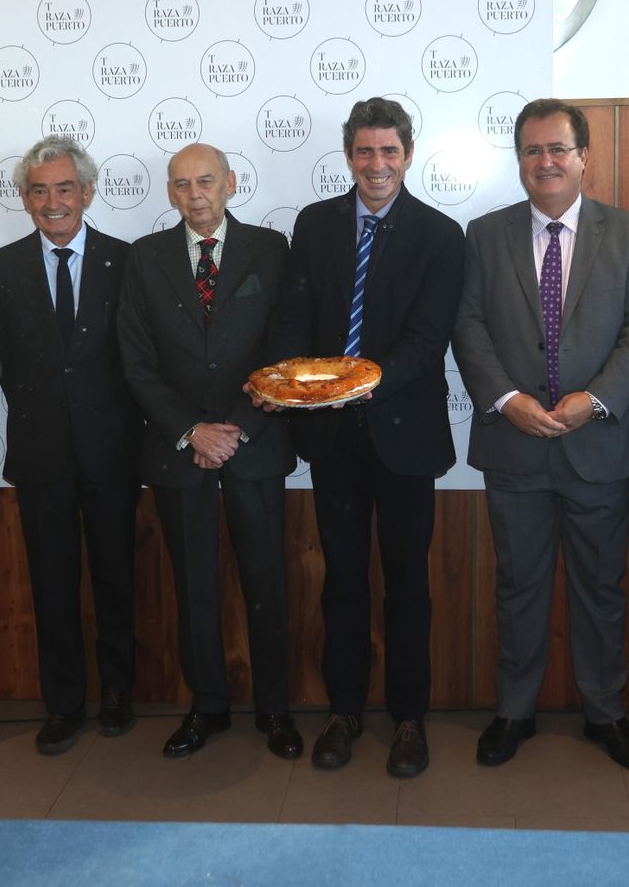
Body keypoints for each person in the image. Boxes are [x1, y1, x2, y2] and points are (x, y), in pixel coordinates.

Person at [451, 98, 629, 769]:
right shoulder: (484, 235)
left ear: (584, 157)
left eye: (558, 149)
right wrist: (507, 398)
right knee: (518, 586)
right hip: (515, 446)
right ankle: (514, 712)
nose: (546, 162)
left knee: (601, 588)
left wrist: (595, 400)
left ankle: (606, 712)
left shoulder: (627, 233)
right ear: (519, 161)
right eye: (532, 151)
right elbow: (468, 326)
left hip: (597, 447)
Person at [265, 97, 464, 777]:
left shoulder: (441, 235)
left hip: (405, 438)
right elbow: (296, 317)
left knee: (409, 586)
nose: (376, 165)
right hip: (331, 441)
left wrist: (359, 382)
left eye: (389, 151)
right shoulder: (315, 225)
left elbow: (427, 340)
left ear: (408, 154)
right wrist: (293, 381)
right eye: (364, 151)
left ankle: (409, 722)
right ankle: (344, 712)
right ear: (348, 154)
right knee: (342, 582)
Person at [116, 142, 300, 760]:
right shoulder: (144, 259)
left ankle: (275, 708)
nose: (194, 195)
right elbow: (136, 363)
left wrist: (237, 428)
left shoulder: (271, 251)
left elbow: (286, 349)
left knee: (266, 582)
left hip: (256, 444)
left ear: (230, 184)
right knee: (192, 585)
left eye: (205, 182)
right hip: (179, 451)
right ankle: (208, 707)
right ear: (169, 192)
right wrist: (192, 430)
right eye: (181, 185)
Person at [0, 136, 142, 754]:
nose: (53, 202)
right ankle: (64, 704)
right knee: (52, 586)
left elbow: (141, 359)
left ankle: (118, 694)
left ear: (88, 192)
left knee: (115, 580)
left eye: (64, 188)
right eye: (40, 190)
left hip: (112, 453)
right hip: (41, 455)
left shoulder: (126, 261)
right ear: (24, 198)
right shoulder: (3, 267)